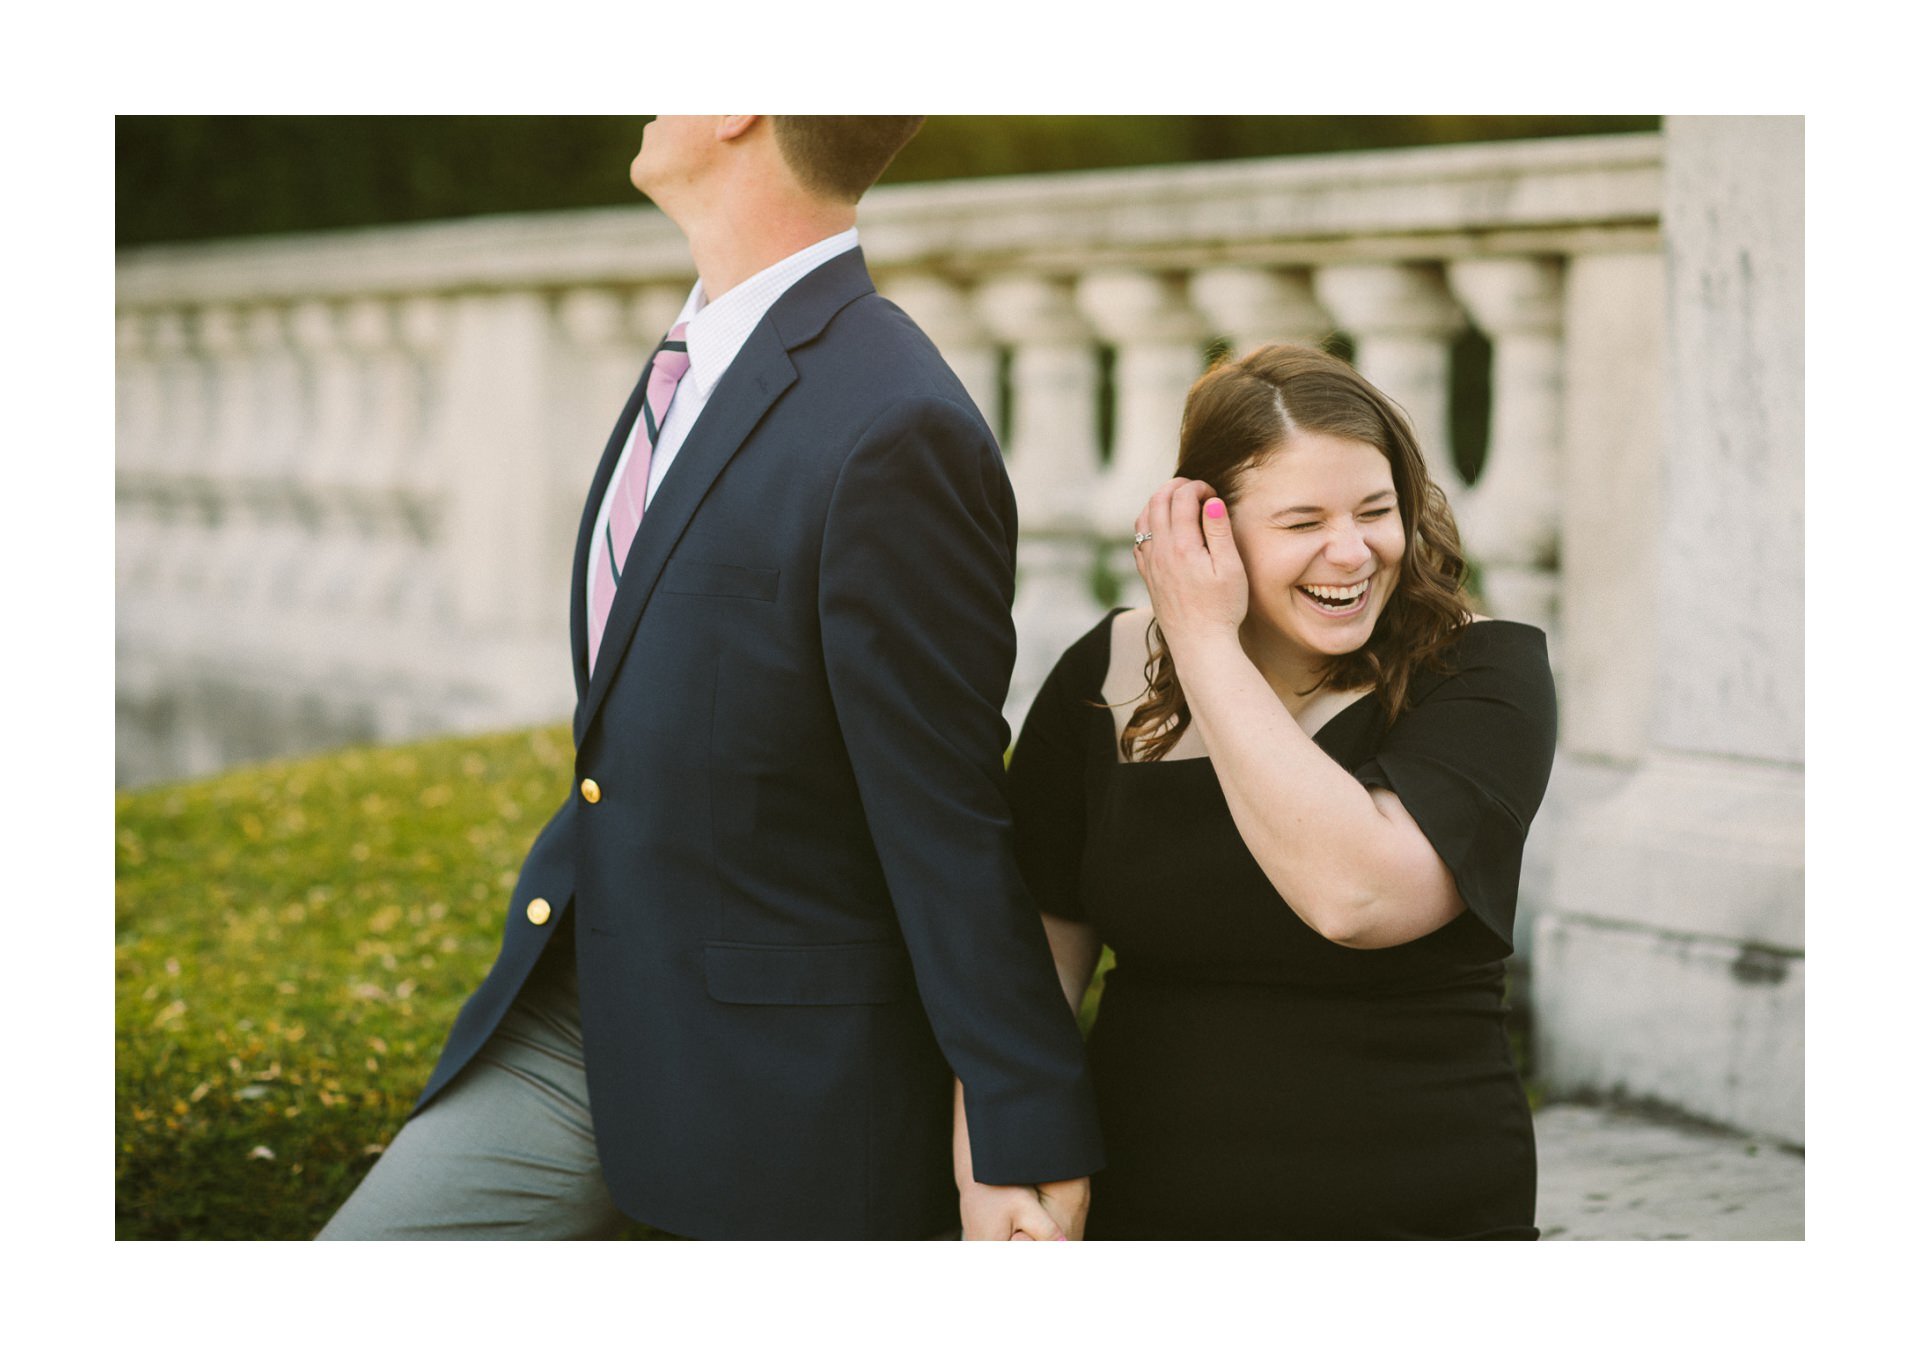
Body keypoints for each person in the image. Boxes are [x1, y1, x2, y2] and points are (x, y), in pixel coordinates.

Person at [320, 116, 1101, 1241]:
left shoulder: (897, 425)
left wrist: (1018, 1126)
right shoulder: (696, 356)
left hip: (767, 1081)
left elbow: (945, 815)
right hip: (576, 1015)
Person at [1006, 343, 1556, 1239]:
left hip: (1416, 1209)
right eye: (1303, 522)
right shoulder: (1102, 674)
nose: (1353, 551)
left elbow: (1357, 896)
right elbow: (1029, 958)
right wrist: (1008, 1161)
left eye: (1377, 510)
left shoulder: (1482, 671)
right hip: (1145, 1204)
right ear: (1209, 529)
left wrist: (1206, 644)